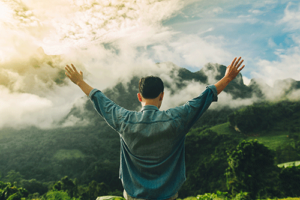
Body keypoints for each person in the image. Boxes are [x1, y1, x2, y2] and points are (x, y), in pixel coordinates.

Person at [65, 57, 245, 200]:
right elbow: (204, 98)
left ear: (138, 96)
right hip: (167, 196)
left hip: (134, 196)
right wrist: (228, 78)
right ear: (162, 96)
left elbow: (101, 100)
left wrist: (80, 82)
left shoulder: (124, 120)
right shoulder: (177, 119)